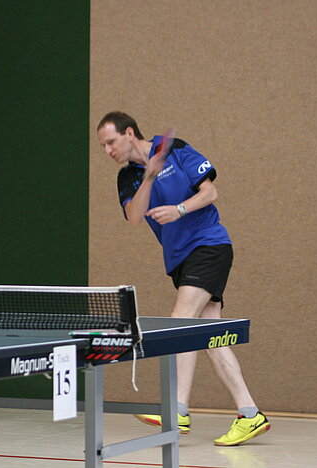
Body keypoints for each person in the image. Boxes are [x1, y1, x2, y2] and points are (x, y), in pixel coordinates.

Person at [96, 111, 270, 446]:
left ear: (129, 133)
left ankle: (177, 409)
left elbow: (210, 193)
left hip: (208, 245)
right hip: (179, 259)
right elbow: (134, 217)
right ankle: (250, 414)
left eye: (111, 142)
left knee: (180, 322)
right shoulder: (127, 177)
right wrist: (149, 176)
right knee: (209, 336)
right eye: (103, 146)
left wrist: (179, 210)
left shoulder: (175, 148)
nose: (108, 150)